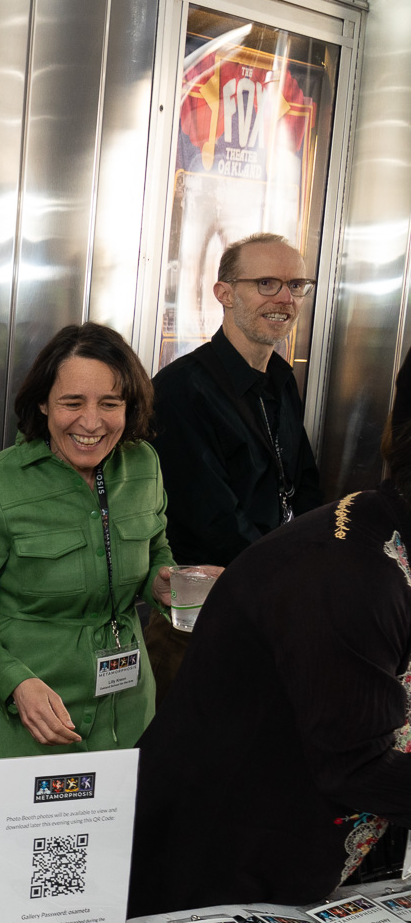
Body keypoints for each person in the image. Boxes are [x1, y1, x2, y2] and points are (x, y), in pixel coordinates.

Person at [129, 346, 411, 913]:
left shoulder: (380, 534)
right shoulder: (350, 574)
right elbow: (358, 768)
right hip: (222, 871)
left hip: (319, 850)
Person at [0, 323, 190, 923]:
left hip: (127, 711)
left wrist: (164, 580)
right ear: (43, 404)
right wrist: (16, 684)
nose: (92, 422)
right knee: (18, 888)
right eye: (73, 402)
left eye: (110, 403)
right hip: (34, 719)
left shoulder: (144, 466)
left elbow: (157, 545)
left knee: (108, 878)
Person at [146, 234, 323, 684]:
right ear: (224, 293)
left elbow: (303, 485)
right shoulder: (182, 390)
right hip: (203, 616)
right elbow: (211, 520)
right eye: (266, 283)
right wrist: (289, 580)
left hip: (272, 603)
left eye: (296, 285)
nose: (285, 298)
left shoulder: (281, 379)